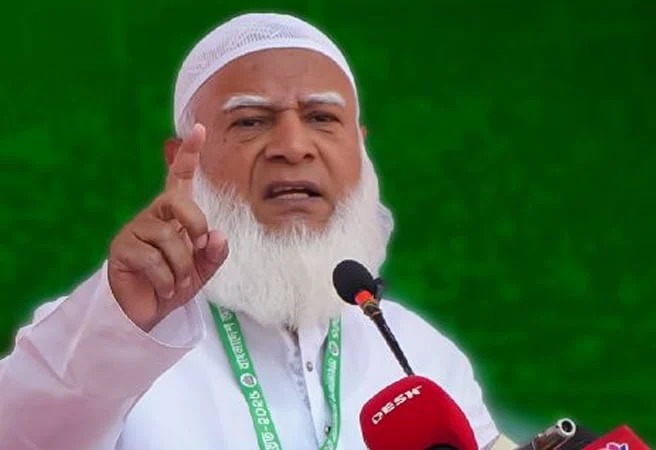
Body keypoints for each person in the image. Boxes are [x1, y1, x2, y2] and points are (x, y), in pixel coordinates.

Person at [0, 12, 515, 450]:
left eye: (322, 117)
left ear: (360, 147)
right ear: (181, 160)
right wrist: (117, 326)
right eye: (249, 121)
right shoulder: (102, 334)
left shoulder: (421, 355)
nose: (293, 146)